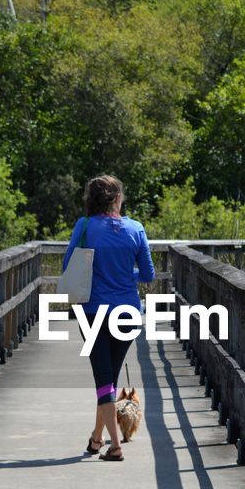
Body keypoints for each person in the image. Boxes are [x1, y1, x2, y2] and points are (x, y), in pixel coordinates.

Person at [62, 174, 155, 461]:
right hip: (128, 312)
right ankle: (96, 439)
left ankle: (114, 446)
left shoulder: (85, 226)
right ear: (117, 198)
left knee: (104, 380)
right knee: (109, 380)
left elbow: (68, 265)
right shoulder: (136, 228)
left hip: (93, 311)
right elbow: (148, 275)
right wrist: (126, 276)